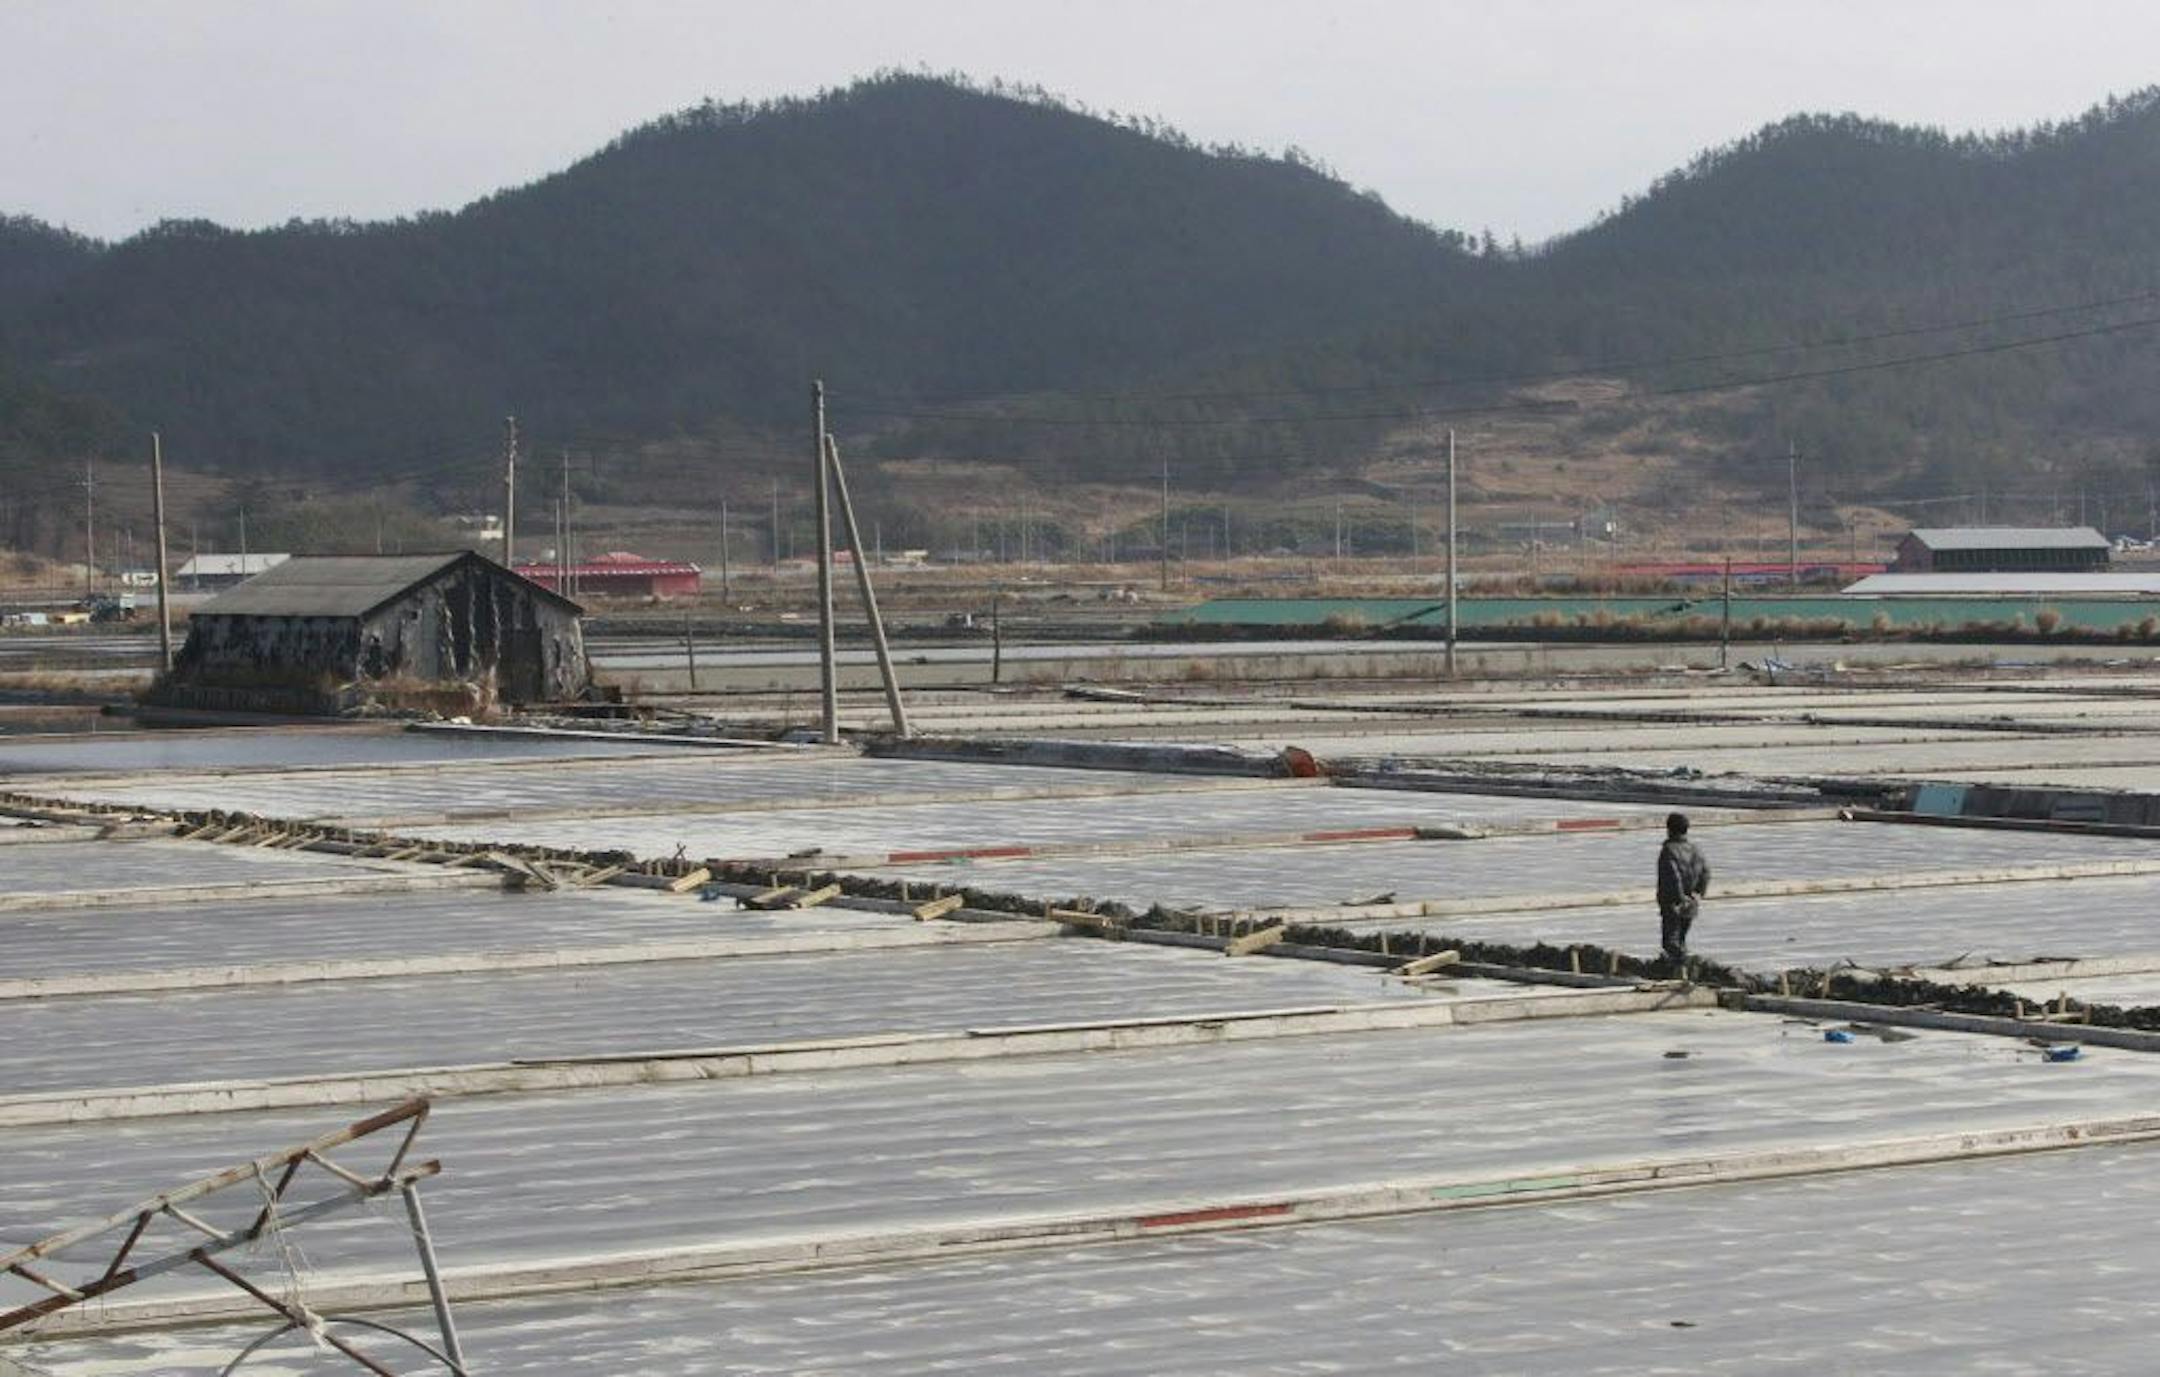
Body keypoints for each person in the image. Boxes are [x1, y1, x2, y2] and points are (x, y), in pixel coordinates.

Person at [1657, 812, 1711, 968]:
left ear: (1669, 829)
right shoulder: (1695, 849)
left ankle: (1682, 968)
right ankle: (1682, 967)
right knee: (1681, 938)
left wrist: (1680, 897)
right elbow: (1706, 872)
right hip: (1691, 902)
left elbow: (1673, 877)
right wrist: (1698, 893)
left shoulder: (1669, 850)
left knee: (1671, 941)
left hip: (1673, 902)